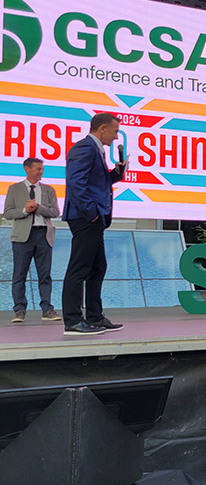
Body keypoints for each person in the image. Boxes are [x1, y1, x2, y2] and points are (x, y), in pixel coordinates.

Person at [61, 113, 126, 335]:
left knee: (98, 267)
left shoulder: (97, 149)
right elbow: (76, 184)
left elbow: (97, 182)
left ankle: (95, 317)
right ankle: (72, 321)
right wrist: (92, 213)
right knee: (79, 268)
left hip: (94, 216)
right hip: (85, 217)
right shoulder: (85, 148)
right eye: (115, 131)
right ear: (102, 128)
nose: (117, 136)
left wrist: (116, 174)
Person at [3, 158, 61, 323]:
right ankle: (19, 310)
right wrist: (25, 210)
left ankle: (47, 309)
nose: (41, 172)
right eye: (38, 169)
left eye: (42, 169)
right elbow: (7, 213)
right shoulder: (14, 189)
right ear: (27, 169)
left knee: (45, 275)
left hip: (43, 235)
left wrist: (39, 208)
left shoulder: (49, 190)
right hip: (22, 237)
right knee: (19, 274)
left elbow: (55, 212)